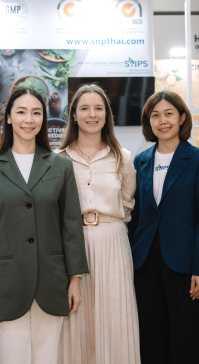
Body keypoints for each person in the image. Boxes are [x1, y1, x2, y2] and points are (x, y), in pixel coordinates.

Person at [0, 86, 89, 364]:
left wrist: (75, 280)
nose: (28, 119)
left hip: (52, 280)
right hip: (6, 283)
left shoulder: (61, 166)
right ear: (9, 117)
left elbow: (71, 224)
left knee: (47, 358)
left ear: (43, 119)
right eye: (21, 112)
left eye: (36, 113)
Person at [128, 90, 199, 364]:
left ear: (182, 118)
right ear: (148, 121)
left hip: (186, 264)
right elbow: (137, 216)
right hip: (146, 262)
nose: (162, 121)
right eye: (155, 115)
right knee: (151, 336)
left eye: (168, 114)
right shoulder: (141, 161)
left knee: (189, 336)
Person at [57, 83, 139, 364]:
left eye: (98, 108)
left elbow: (126, 205)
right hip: (71, 242)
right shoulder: (58, 159)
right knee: (75, 317)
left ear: (107, 114)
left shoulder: (122, 157)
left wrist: (107, 225)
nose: (92, 114)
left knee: (113, 316)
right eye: (84, 108)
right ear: (74, 115)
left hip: (112, 242)